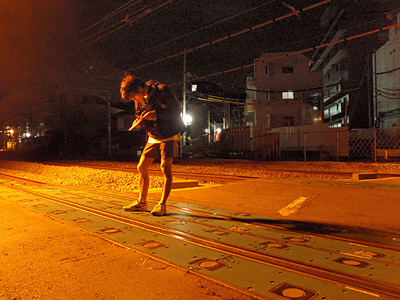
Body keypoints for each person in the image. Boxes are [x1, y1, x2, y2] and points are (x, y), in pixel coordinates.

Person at [120, 74, 186, 216]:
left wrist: (156, 114)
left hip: (169, 133)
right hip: (153, 135)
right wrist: (139, 122)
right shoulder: (138, 98)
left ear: (139, 88)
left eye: (134, 97)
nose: (135, 100)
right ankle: (142, 203)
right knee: (142, 166)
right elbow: (139, 113)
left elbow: (175, 111)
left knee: (165, 168)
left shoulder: (162, 90)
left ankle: (162, 205)